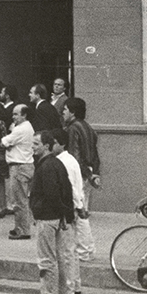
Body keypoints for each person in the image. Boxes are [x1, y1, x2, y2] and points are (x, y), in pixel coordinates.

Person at [29, 131, 76, 294]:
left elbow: (52, 193)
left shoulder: (46, 166)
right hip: (56, 218)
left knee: (46, 261)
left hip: (47, 218)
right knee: (59, 259)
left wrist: (38, 210)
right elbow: (66, 191)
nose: (33, 147)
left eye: (36, 144)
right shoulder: (56, 163)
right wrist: (65, 215)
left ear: (46, 146)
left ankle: (49, 292)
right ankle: (64, 292)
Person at [62, 97, 100, 263]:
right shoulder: (88, 127)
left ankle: (84, 251)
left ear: (72, 112)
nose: (62, 112)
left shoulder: (72, 129)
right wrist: (94, 174)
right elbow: (95, 155)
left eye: (64, 110)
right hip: (88, 173)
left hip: (78, 174)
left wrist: (85, 174)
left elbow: (74, 156)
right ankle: (89, 249)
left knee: (79, 213)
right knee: (83, 211)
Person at [51, 128, 87, 294]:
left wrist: (74, 207)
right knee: (71, 252)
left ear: (62, 144)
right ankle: (75, 285)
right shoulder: (70, 159)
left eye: (54, 143)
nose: (51, 146)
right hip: (73, 207)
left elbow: (70, 188)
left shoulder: (62, 162)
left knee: (66, 252)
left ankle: (70, 288)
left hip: (67, 210)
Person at [2, 104, 36, 240]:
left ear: (24, 115)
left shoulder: (20, 130)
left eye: (16, 114)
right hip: (26, 164)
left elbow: (4, 142)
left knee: (19, 200)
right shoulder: (27, 127)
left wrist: (8, 141)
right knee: (21, 199)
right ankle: (20, 227)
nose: (13, 117)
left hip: (19, 166)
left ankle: (23, 230)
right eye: (13, 114)